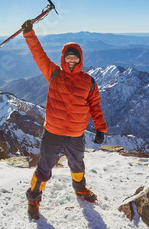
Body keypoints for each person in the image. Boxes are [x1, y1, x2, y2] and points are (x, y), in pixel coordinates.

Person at [21, 20, 108, 220]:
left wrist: (100, 128)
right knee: (44, 167)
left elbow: (95, 106)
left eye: (74, 57)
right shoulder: (54, 74)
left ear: (80, 59)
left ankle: (80, 189)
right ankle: (33, 199)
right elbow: (39, 55)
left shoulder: (89, 81)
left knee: (77, 165)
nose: (71, 60)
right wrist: (29, 34)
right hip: (53, 131)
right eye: (68, 57)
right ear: (63, 58)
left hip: (76, 134)